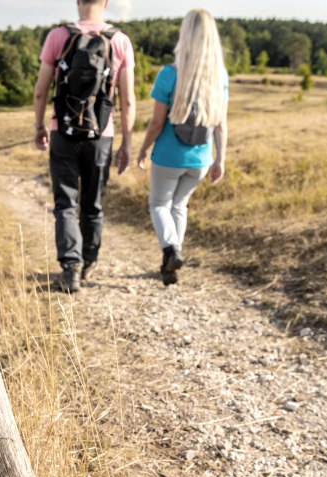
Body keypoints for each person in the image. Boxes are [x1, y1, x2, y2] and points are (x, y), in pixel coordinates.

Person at [33, 0, 136, 292]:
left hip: (63, 132)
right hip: (101, 134)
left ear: (77, 2)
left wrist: (40, 126)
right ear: (105, 2)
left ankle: (71, 267)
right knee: (93, 204)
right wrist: (127, 143)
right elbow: (127, 100)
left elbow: (41, 90)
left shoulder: (58, 36)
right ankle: (88, 260)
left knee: (66, 203)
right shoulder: (120, 41)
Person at [137, 8, 228, 286]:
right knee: (180, 206)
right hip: (200, 160)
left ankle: (171, 250)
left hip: (168, 156)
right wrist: (220, 159)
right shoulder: (220, 76)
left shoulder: (169, 74)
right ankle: (170, 266)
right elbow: (222, 123)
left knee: (159, 204)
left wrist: (142, 149)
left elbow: (156, 122)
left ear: (184, 36)